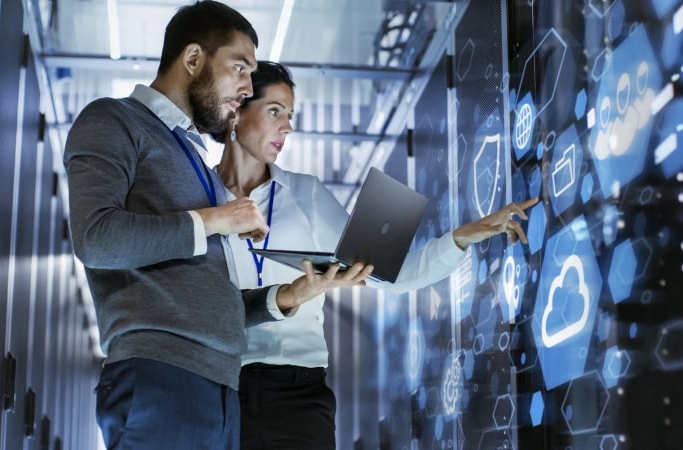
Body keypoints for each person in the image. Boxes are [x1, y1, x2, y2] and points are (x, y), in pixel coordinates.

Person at [63, 3, 372, 450]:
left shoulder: (197, 165)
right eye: (239, 68)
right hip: (161, 374)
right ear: (193, 60)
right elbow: (96, 238)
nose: (246, 87)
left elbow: (210, 298)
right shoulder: (113, 120)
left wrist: (288, 297)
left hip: (220, 387)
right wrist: (216, 219)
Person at [212, 61, 538, 450]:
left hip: (298, 393)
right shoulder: (198, 198)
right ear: (237, 110)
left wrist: (463, 237)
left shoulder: (305, 194)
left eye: (291, 116)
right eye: (275, 111)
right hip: (219, 388)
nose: (287, 127)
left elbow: (392, 275)